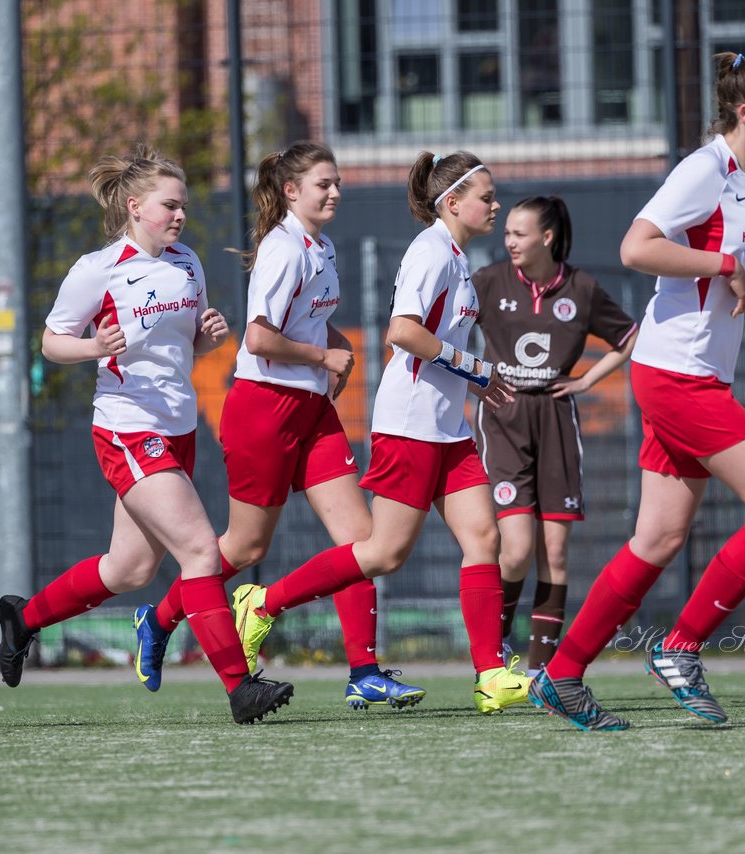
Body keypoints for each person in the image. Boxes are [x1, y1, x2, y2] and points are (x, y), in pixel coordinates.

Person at [529, 52, 745, 731]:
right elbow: (635, 248)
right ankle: (679, 650)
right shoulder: (704, 170)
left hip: (693, 374)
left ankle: (561, 674)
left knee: (658, 537)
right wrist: (721, 260)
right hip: (676, 373)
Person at [0, 144, 293, 725]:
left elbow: (188, 345)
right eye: (169, 206)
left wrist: (209, 334)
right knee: (202, 551)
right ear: (134, 207)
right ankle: (240, 687)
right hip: (129, 428)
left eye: (183, 207)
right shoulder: (99, 269)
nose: (179, 217)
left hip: (178, 427)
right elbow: (52, 342)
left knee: (127, 569)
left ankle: (21, 619)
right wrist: (93, 348)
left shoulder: (188, 263)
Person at [228, 151, 534, 714]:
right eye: (487, 197)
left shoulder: (458, 257)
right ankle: (264, 603)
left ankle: (491, 674)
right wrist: (476, 371)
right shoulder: (430, 251)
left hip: (446, 428)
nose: (496, 206)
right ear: (453, 203)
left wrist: (475, 378)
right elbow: (402, 332)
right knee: (383, 553)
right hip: (409, 424)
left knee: (484, 540)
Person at [132, 141, 425, 710]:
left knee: (360, 542)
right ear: (292, 191)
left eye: (337, 182)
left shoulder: (324, 247)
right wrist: (323, 358)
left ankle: (363, 670)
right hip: (263, 409)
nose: (335, 191)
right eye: (324, 184)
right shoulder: (282, 249)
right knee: (244, 545)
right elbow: (260, 338)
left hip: (312, 412)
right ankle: (161, 620)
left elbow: (313, 323)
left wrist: (333, 344)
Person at [473, 195, 638, 676]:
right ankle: (496, 649)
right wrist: (472, 375)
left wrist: (587, 380)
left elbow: (629, 338)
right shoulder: (487, 282)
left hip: (556, 418)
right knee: (517, 549)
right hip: (503, 418)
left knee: (556, 552)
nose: (509, 241)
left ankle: (542, 671)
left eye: (518, 234)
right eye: (506, 234)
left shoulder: (582, 289)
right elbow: (438, 329)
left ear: (546, 237)